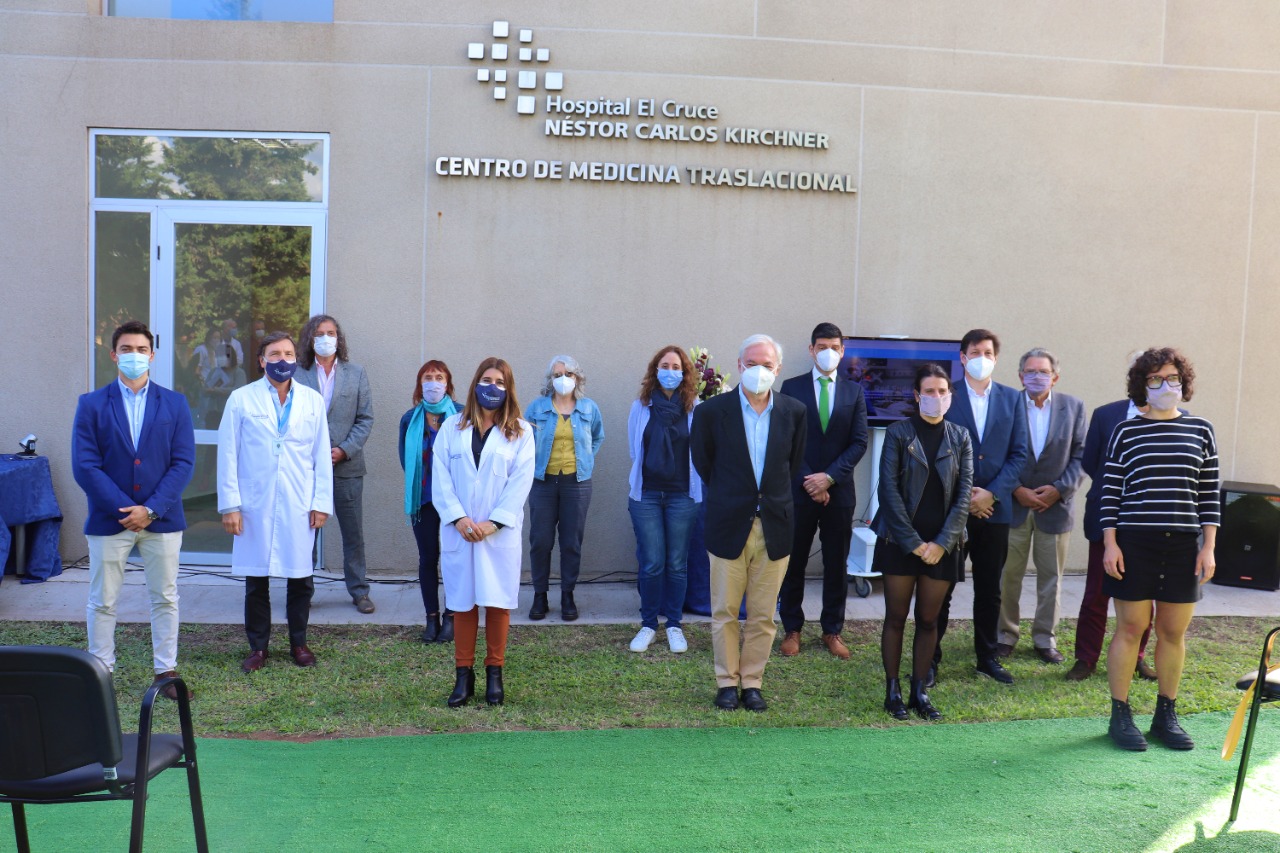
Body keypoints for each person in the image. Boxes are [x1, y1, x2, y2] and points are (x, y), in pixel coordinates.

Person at [1101, 347, 1218, 751]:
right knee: (1131, 629)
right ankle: (1120, 715)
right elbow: (1109, 494)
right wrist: (1110, 544)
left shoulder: (1201, 429)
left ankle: (1165, 715)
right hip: (1134, 543)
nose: (1165, 385)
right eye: (1154, 379)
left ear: (1183, 382)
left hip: (1184, 545)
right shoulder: (1125, 431)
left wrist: (1209, 548)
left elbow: (1208, 497)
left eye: (1171, 378)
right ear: (1141, 386)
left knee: (1172, 631)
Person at [71, 320, 196, 700]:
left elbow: (183, 462)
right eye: (127, 349)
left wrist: (152, 509)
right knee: (103, 599)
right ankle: (101, 670)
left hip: (162, 518)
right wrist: (126, 509)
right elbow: (85, 465)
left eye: (142, 350)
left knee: (165, 596)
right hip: (111, 520)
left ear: (152, 356)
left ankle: (165, 671)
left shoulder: (174, 403)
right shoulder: (91, 404)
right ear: (113, 355)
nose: (134, 356)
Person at [691, 334, 807, 712]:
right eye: (752, 363)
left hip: (774, 525)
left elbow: (791, 466)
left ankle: (752, 682)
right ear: (739, 365)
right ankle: (727, 682)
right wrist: (733, 496)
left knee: (762, 614)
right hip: (728, 523)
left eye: (767, 365)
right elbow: (704, 464)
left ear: (778, 370)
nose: (759, 371)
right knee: (725, 610)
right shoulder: (711, 412)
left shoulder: (794, 412)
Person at [218, 331, 333, 672]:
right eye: (274, 354)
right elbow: (228, 454)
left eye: (288, 353)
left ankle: (299, 643)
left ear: (296, 359)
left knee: (301, 579)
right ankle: (258, 648)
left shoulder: (312, 401)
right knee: (257, 580)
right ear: (261, 359)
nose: (282, 360)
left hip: (299, 501)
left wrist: (321, 502)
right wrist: (231, 506)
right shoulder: (241, 399)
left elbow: (320, 456)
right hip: (255, 503)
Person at [870, 364, 973, 721]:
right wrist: (913, 542)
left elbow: (964, 496)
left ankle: (919, 690)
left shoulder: (960, 436)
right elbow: (889, 492)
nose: (936, 397)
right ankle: (893, 690)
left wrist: (941, 544)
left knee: (929, 620)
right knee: (896, 617)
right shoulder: (899, 433)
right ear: (916, 396)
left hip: (943, 547)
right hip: (900, 543)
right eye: (928, 391)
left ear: (950, 395)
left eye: (942, 391)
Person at [432, 357, 536, 707]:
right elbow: (441, 478)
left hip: (498, 534)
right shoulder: (451, 428)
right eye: (487, 380)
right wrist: (459, 519)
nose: (492, 388)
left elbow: (520, 484)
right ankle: (464, 675)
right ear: (475, 383)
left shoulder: (521, 432)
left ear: (509, 390)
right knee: (462, 603)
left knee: (496, 602)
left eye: (501, 383)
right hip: (460, 531)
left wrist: (493, 523)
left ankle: (495, 673)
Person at [934, 329, 1028, 686]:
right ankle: (931, 658)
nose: (981, 357)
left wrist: (992, 494)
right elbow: (936, 449)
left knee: (990, 589)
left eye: (988, 352)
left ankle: (987, 657)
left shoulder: (1011, 399)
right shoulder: (946, 395)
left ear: (996, 357)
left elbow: (1019, 454)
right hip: (951, 510)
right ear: (962, 357)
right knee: (941, 586)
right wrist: (967, 497)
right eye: (975, 351)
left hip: (996, 509)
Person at [777, 322, 869, 660]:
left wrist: (828, 478)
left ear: (842, 351)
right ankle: (792, 629)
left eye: (835, 346)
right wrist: (809, 481)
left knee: (835, 564)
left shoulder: (854, 392)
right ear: (811, 349)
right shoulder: (791, 387)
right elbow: (784, 440)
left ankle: (832, 630)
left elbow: (859, 442)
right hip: (799, 492)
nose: (828, 351)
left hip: (839, 493)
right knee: (794, 562)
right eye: (822, 346)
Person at [1068, 366, 1157, 683]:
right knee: (1096, 593)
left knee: (1143, 595)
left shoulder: (1174, 416)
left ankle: (1137, 657)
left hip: (1148, 522)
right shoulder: (1105, 415)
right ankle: (1085, 660)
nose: (1155, 384)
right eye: (1148, 377)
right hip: (1106, 516)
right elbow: (1091, 463)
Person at [996, 348, 1086, 664]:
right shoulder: (1005, 404)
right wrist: (1016, 489)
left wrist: (1059, 490)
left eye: (1043, 372)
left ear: (1055, 376)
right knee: (1008, 576)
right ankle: (1005, 635)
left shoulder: (1073, 407)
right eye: (1030, 372)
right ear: (1020, 376)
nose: (1037, 377)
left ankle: (1044, 638)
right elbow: (996, 453)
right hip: (1014, 505)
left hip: (1055, 508)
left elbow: (1081, 455)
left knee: (1052, 579)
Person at [296, 314, 376, 614]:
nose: (325, 338)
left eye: (330, 332)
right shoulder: (297, 373)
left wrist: (344, 449)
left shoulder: (355, 373)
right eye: (319, 333)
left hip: (347, 468)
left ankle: (359, 590)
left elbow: (365, 418)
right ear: (309, 338)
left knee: (353, 533)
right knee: (306, 533)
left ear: (338, 338)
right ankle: (302, 592)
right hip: (306, 470)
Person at [627, 345, 703, 654]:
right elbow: (635, 450)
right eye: (664, 365)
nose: (670, 371)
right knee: (652, 563)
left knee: (676, 563)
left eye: (676, 366)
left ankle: (674, 624)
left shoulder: (695, 408)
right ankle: (648, 625)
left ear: (684, 373)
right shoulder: (641, 406)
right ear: (655, 370)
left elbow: (700, 451)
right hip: (646, 494)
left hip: (681, 495)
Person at [524, 355, 605, 622]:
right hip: (542, 483)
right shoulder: (537, 408)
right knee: (540, 541)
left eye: (568, 374)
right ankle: (540, 595)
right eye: (558, 374)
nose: (563, 379)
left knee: (571, 542)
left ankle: (568, 594)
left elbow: (597, 437)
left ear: (577, 378)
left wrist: (587, 460)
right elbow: (524, 440)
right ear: (550, 379)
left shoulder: (589, 408)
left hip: (577, 484)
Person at [399, 359, 459, 643]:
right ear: (419, 383)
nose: (433, 382)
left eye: (439, 376)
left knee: (452, 559)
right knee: (428, 559)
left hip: (454, 502)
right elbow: (405, 458)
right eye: (427, 377)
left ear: (447, 383)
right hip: (422, 500)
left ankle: (452, 617)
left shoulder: (461, 416)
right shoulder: (409, 419)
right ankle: (431, 618)